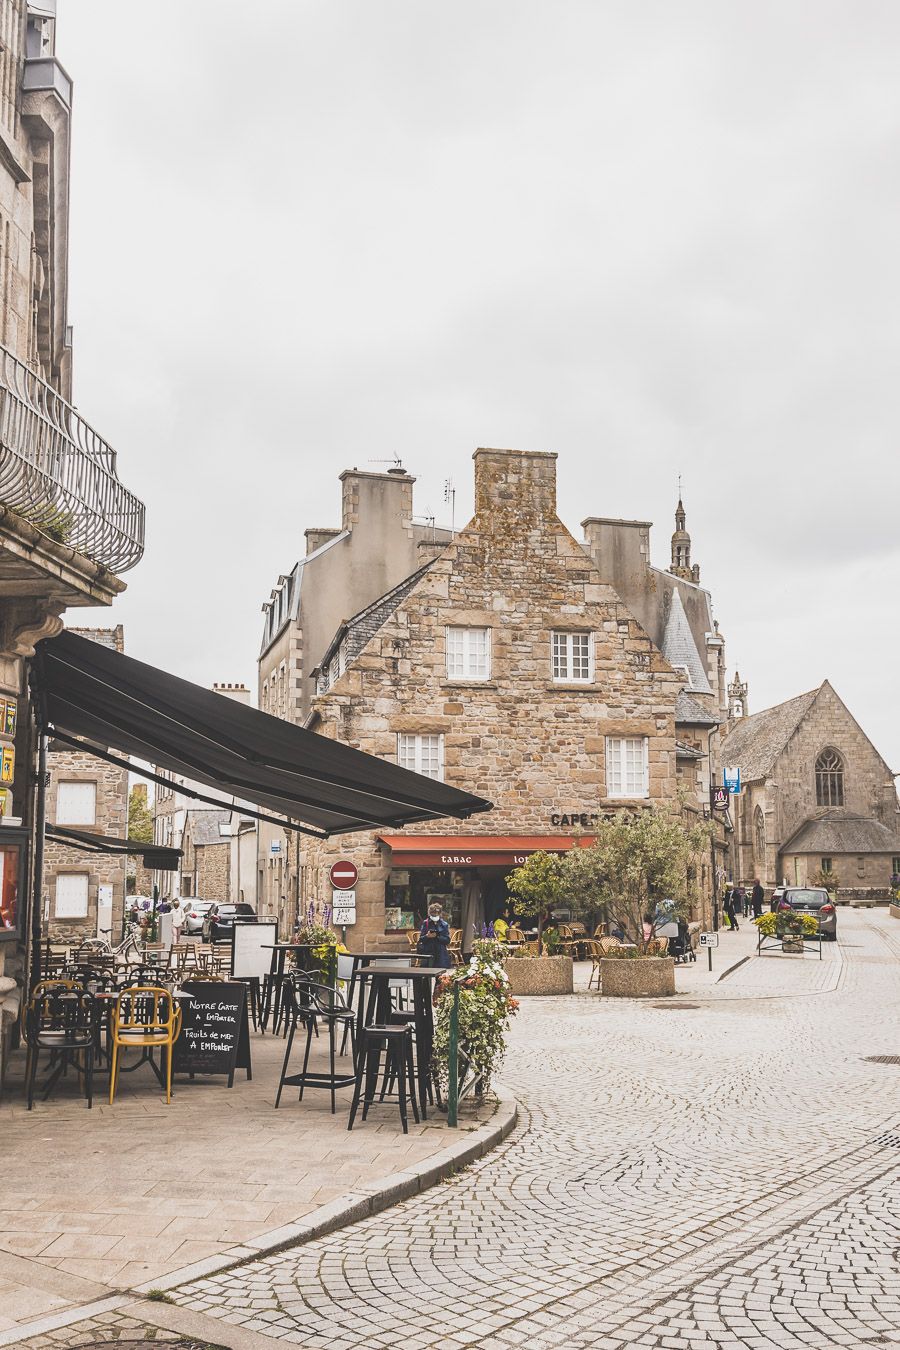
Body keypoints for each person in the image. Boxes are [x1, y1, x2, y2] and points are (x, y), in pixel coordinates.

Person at [418, 902, 452, 968]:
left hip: (440, 954)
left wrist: (437, 936)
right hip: (428, 952)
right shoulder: (426, 923)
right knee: (427, 974)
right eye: (433, 913)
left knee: (439, 975)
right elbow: (421, 939)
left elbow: (447, 940)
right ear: (430, 913)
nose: (435, 914)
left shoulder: (444, 924)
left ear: (440, 913)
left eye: (437, 913)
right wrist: (427, 936)